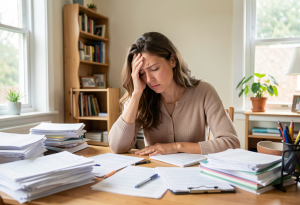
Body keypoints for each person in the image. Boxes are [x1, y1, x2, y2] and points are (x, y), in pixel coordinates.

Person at [108, 32, 240, 156]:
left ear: (173, 60)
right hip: (155, 172)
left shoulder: (204, 92)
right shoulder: (140, 97)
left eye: (154, 69)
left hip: (193, 173)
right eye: (141, 73)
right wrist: (136, 94)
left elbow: (232, 143)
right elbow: (117, 147)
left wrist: (175, 147)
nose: (148, 79)